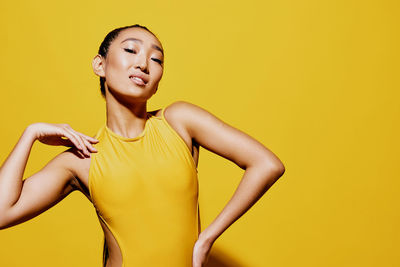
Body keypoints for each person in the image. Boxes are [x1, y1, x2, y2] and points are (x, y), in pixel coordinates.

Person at [0, 24, 285, 267]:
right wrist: (31, 134)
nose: (143, 64)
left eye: (156, 59)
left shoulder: (179, 122)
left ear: (158, 82)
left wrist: (206, 239)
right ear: (100, 65)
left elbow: (267, 164)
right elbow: (3, 212)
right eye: (130, 50)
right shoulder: (82, 159)